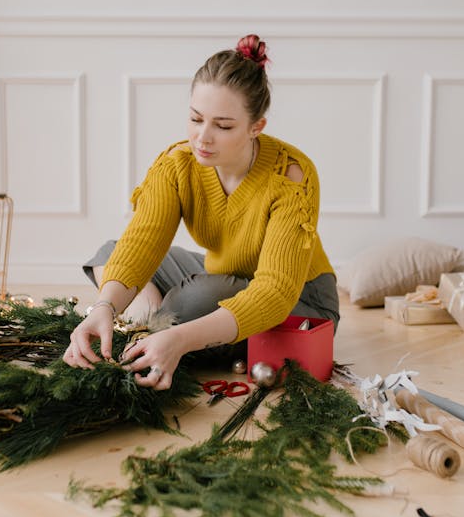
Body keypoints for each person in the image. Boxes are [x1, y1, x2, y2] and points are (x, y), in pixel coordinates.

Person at [62, 34, 338, 390]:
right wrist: (103, 309)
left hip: (299, 297)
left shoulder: (292, 174)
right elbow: (143, 240)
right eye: (195, 119)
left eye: (223, 126)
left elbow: (274, 291)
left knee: (191, 302)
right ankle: (151, 319)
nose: (202, 138)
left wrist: (180, 339)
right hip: (222, 274)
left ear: (256, 127)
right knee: (113, 254)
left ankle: (164, 325)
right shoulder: (177, 164)